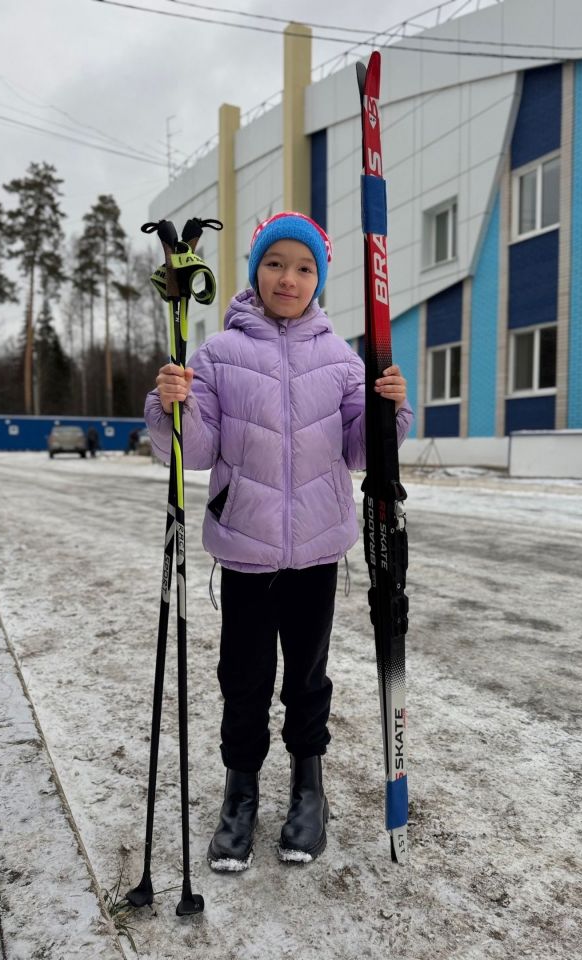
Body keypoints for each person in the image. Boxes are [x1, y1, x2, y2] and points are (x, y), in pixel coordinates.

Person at [144, 212, 412, 872]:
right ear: (255, 272)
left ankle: (307, 791)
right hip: (246, 549)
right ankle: (240, 798)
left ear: (318, 278)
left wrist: (390, 410)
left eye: (302, 267)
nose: (287, 277)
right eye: (274, 264)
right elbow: (198, 450)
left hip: (318, 552)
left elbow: (358, 454)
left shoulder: (343, 359)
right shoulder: (217, 355)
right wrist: (172, 405)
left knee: (307, 679)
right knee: (244, 678)